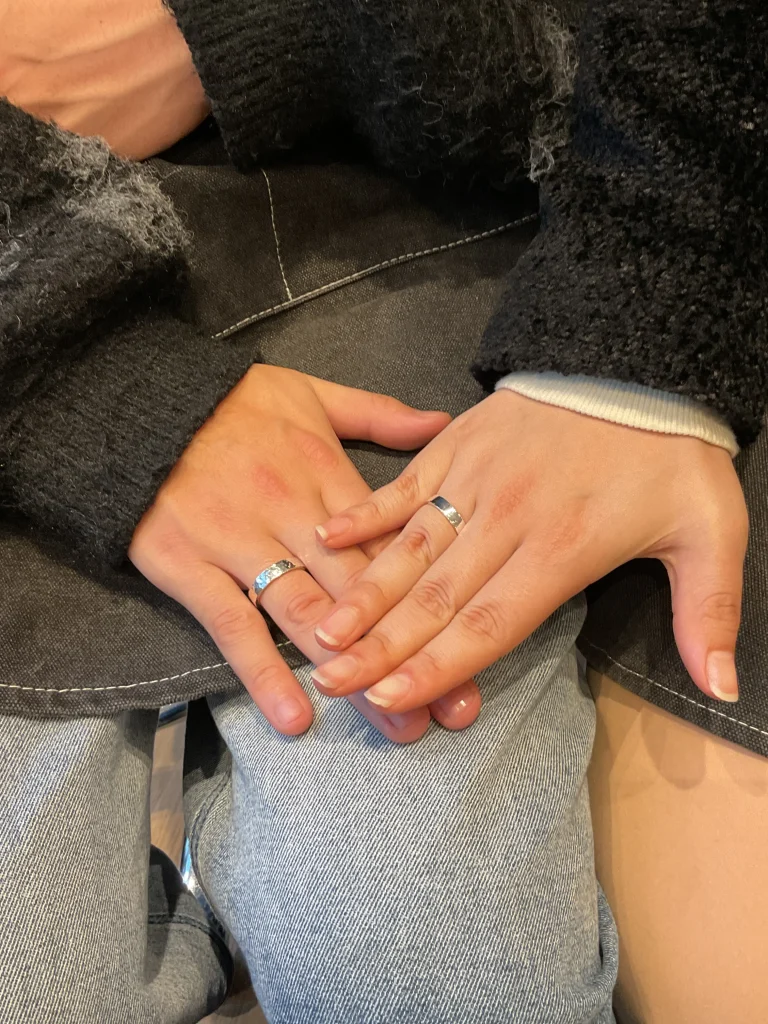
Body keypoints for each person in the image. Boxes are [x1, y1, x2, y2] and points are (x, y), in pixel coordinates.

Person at [0, 0, 765, 1021]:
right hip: (27, 290)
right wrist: (73, 378)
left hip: (461, 203)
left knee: (439, 970)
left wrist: (638, 351)